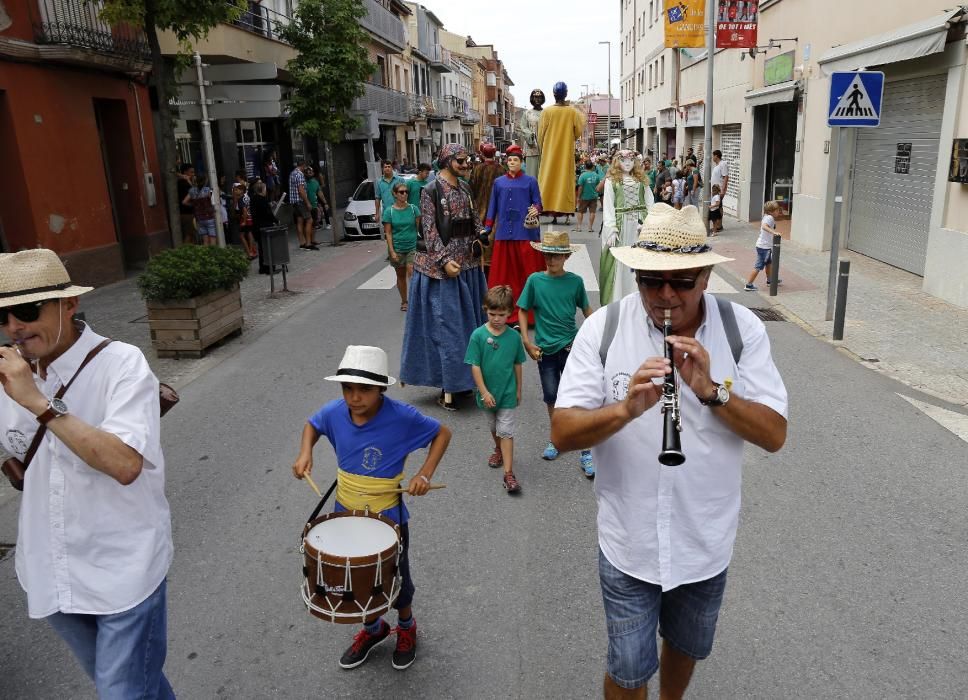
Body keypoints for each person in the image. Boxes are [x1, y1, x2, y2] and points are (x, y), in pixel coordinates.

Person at [550, 203, 787, 700]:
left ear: (705, 275)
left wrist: (711, 392)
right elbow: (562, 432)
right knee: (629, 668)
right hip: (629, 542)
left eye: (681, 281)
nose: (665, 296)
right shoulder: (604, 329)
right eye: (650, 280)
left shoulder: (743, 331)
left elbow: (773, 435)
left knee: (685, 648)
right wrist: (624, 410)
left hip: (705, 542)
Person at [0, 249, 176, 698]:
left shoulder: (122, 363)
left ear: (68, 305)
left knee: (121, 692)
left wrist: (38, 403)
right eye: (3, 316)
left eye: (25, 311)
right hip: (51, 569)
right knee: (135, 684)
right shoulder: (10, 375)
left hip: (123, 571)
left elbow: (125, 464)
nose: (14, 327)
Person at [292, 345, 452, 671]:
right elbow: (312, 424)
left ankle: (406, 627)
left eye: (364, 389)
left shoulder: (402, 417)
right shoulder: (335, 412)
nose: (354, 397)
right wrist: (304, 453)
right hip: (346, 512)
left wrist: (425, 474)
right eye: (347, 388)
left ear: (381, 388)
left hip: (388, 518)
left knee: (397, 580)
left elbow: (442, 433)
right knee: (358, 582)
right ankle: (373, 629)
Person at [400, 143, 488, 411]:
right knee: (447, 329)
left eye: (468, 160)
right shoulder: (431, 190)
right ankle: (448, 385)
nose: (466, 164)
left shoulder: (465, 187)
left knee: (470, 326)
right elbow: (429, 230)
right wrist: (443, 260)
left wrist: (482, 234)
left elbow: (474, 219)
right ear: (448, 161)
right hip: (444, 270)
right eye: (461, 160)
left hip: (468, 265)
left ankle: (467, 380)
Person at [516, 231, 595, 477]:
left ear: (567, 257)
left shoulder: (575, 282)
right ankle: (557, 438)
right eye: (548, 255)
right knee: (552, 396)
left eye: (557, 256)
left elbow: (587, 311)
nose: (551, 260)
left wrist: (598, 336)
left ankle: (585, 449)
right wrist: (527, 343)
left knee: (578, 397)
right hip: (545, 350)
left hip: (572, 347)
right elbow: (522, 310)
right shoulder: (535, 281)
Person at [464, 286, 527, 494]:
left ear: (510, 313)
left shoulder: (513, 337)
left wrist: (518, 388)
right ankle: (498, 449)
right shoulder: (478, 336)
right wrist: (483, 391)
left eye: (501, 314)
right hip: (487, 394)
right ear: (485, 310)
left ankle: (509, 473)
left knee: (506, 431)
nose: (497, 319)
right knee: (494, 427)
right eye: (492, 314)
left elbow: (518, 364)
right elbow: (475, 365)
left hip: (507, 392)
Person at [484, 144, 543, 325]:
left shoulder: (530, 181)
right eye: (509, 160)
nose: (512, 163)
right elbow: (492, 206)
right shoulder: (498, 182)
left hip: (525, 234)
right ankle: (502, 311)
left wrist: (536, 209)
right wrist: (487, 228)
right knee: (503, 275)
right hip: (503, 234)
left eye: (515, 160)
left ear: (521, 162)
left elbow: (538, 203)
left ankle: (529, 314)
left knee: (527, 274)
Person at [600, 150, 654, 306]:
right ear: (617, 162)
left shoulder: (642, 180)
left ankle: (639, 301)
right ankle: (618, 301)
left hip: (639, 226)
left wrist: (648, 222)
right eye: (623, 160)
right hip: (620, 226)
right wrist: (611, 229)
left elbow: (650, 202)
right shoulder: (611, 181)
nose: (627, 163)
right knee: (620, 264)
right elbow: (608, 205)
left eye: (631, 160)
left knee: (638, 263)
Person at [538, 82, 585, 223]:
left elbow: (540, 134)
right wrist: (569, 138)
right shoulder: (572, 112)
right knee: (564, 179)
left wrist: (544, 147)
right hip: (566, 152)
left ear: (553, 94)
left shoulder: (546, 112)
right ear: (566, 94)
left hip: (549, 152)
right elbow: (578, 131)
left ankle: (546, 206)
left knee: (547, 178)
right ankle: (564, 209)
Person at [383, 182, 420, 311]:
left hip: (413, 247)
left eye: (406, 192)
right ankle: (404, 301)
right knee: (400, 276)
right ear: (394, 194)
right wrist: (392, 251)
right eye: (401, 192)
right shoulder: (389, 211)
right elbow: (388, 233)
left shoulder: (413, 209)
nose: (404, 194)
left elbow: (419, 228)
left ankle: (416, 300)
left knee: (412, 272)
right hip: (397, 248)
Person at [745, 200, 782, 291]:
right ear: (770, 211)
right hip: (764, 247)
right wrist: (774, 232)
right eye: (776, 210)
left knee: (769, 263)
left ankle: (770, 280)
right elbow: (764, 227)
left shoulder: (767, 216)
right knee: (758, 266)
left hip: (765, 246)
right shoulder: (769, 218)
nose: (778, 212)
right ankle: (748, 285)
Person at [250, 180, 280, 274]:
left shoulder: (253, 199)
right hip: (265, 226)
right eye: (265, 189)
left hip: (257, 226)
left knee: (261, 248)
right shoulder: (262, 200)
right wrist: (276, 220)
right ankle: (269, 268)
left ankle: (262, 267)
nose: (266, 190)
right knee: (268, 247)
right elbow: (268, 214)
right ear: (262, 190)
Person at [290, 158, 317, 250]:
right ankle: (308, 243)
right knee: (309, 220)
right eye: (305, 167)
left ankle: (302, 242)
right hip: (301, 201)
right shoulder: (300, 175)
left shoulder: (293, 173)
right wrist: (307, 202)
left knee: (299, 221)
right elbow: (301, 190)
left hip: (294, 202)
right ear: (303, 166)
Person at [521, 88, 546, 180]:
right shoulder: (527, 113)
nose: (537, 99)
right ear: (532, 98)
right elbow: (523, 128)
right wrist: (531, 135)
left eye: (539, 97)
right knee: (532, 175)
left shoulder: (546, 113)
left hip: (545, 147)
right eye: (535, 97)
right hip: (532, 147)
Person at [185, 174, 217, 246]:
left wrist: (193, 204)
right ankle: (213, 254)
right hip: (209, 216)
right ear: (205, 181)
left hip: (199, 218)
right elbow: (214, 202)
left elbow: (184, 202)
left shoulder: (192, 191)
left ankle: (205, 255)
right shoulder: (209, 190)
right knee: (212, 238)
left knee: (205, 240)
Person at [374, 160, 404, 225]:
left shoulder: (400, 180)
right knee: (388, 233)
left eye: (389, 166)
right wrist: (377, 213)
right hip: (387, 213)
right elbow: (377, 198)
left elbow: (406, 195)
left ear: (392, 168)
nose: (387, 168)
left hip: (400, 211)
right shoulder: (379, 182)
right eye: (385, 167)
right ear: (382, 169)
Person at [576, 161, 602, 233]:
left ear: (585, 166)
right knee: (592, 212)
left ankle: (579, 227)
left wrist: (578, 196)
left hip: (584, 196)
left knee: (580, 211)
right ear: (592, 167)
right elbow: (598, 186)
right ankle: (590, 227)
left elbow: (580, 187)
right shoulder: (596, 175)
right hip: (593, 197)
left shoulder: (583, 175)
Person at [177, 163, 196, 245]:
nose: (193, 174)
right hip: (186, 213)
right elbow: (192, 196)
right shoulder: (183, 184)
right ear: (185, 172)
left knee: (191, 235)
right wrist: (193, 205)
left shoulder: (186, 183)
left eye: (193, 172)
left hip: (188, 213)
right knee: (189, 235)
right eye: (191, 172)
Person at [711, 149, 730, 222]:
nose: (712, 158)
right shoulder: (717, 165)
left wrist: (722, 189)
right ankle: (718, 224)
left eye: (713, 156)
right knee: (717, 206)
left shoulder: (723, 164)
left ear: (716, 156)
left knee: (719, 206)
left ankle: (719, 225)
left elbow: (725, 177)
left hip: (719, 190)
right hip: (715, 190)